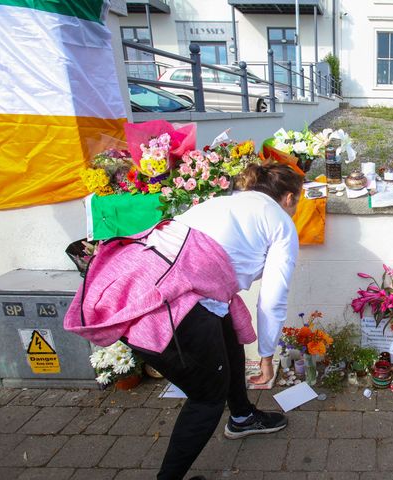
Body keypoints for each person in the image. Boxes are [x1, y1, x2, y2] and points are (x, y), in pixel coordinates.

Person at [65, 163, 303, 480]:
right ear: (288, 198)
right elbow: (272, 299)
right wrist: (267, 357)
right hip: (171, 307)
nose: (295, 209)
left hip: (139, 290)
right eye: (296, 202)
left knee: (227, 333)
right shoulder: (281, 224)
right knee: (207, 398)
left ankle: (243, 417)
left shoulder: (223, 201)